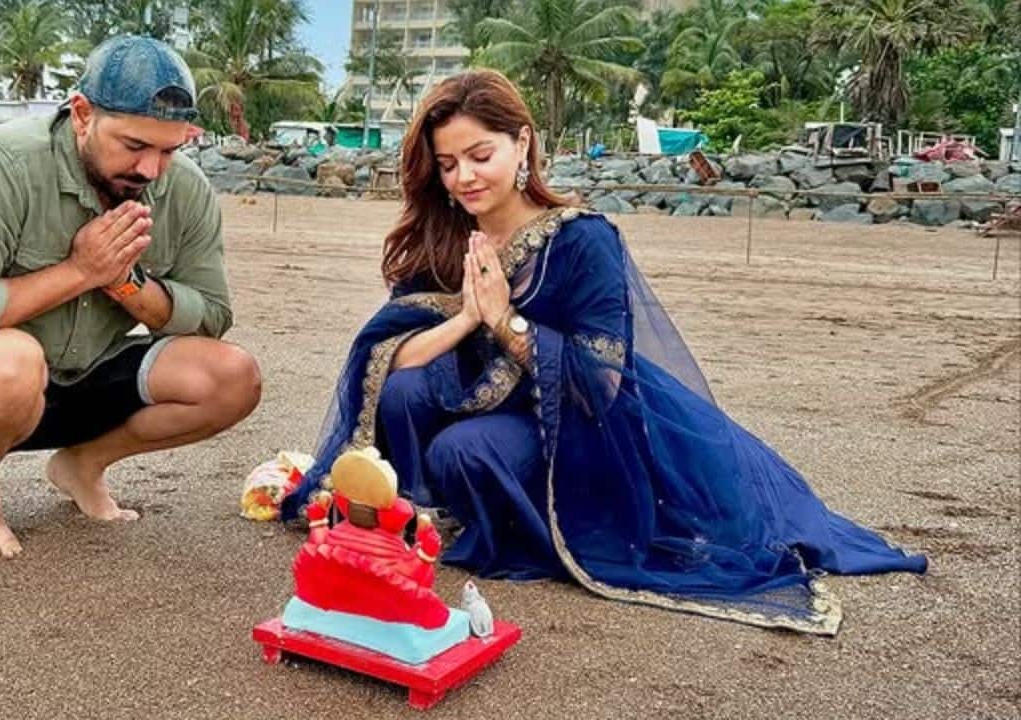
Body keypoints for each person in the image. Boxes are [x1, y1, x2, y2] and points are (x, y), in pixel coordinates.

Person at [282, 70, 926, 635]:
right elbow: (389, 354)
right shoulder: (445, 240)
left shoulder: (582, 240)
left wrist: (506, 320)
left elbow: (600, 383)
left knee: (465, 451)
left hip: (569, 429)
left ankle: (523, 528)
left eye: (479, 155)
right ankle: (431, 512)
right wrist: (471, 317)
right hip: (469, 397)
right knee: (402, 390)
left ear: (522, 143)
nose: (464, 177)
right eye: (448, 165)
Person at [0, 37, 261, 559]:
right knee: (12, 362)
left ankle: (83, 464)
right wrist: (79, 272)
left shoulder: (186, 190)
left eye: (169, 150)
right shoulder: (2, 162)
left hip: (87, 379)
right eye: (134, 145)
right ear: (82, 114)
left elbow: (211, 319)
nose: (151, 170)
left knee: (232, 376)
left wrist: (126, 283)